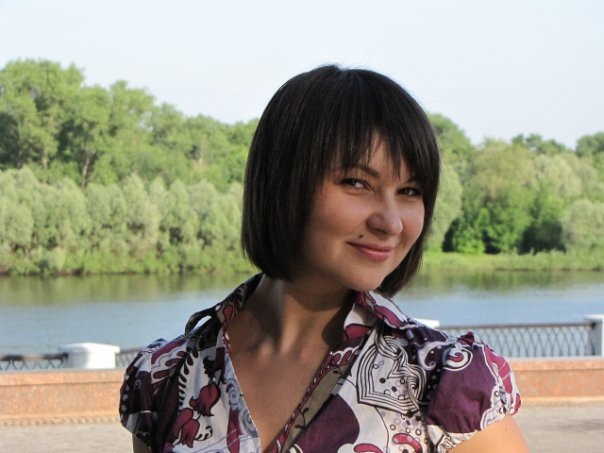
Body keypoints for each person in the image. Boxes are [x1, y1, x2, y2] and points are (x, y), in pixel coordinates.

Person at [119, 65, 528, 453]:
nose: (391, 223)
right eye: (357, 183)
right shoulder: (165, 377)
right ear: (282, 183)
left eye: (410, 191)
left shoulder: (444, 379)